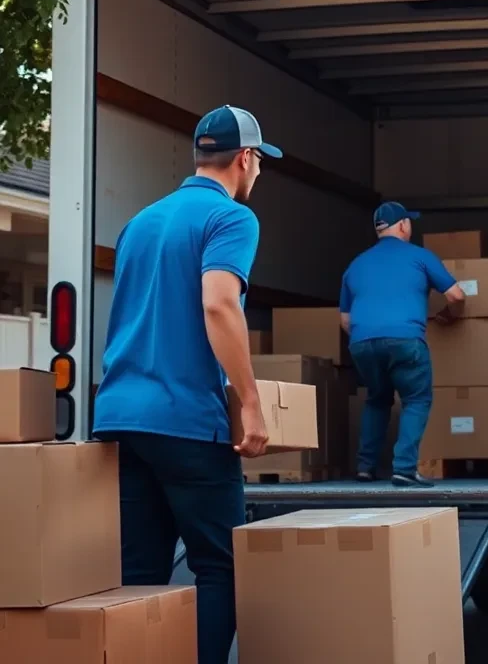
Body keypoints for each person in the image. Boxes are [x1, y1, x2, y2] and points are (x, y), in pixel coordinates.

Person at [92, 105, 281, 664]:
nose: (260, 173)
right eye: (260, 162)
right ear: (244, 159)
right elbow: (219, 304)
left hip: (122, 418)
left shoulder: (140, 221)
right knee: (219, 567)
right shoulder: (231, 220)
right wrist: (250, 403)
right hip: (185, 420)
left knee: (138, 576)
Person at [341, 202, 465, 487]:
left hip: (361, 342)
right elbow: (456, 296)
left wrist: (372, 339)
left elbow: (345, 320)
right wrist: (448, 316)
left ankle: (365, 467)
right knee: (417, 399)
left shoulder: (356, 264)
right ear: (403, 225)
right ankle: (405, 468)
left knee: (377, 399)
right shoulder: (420, 257)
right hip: (405, 339)